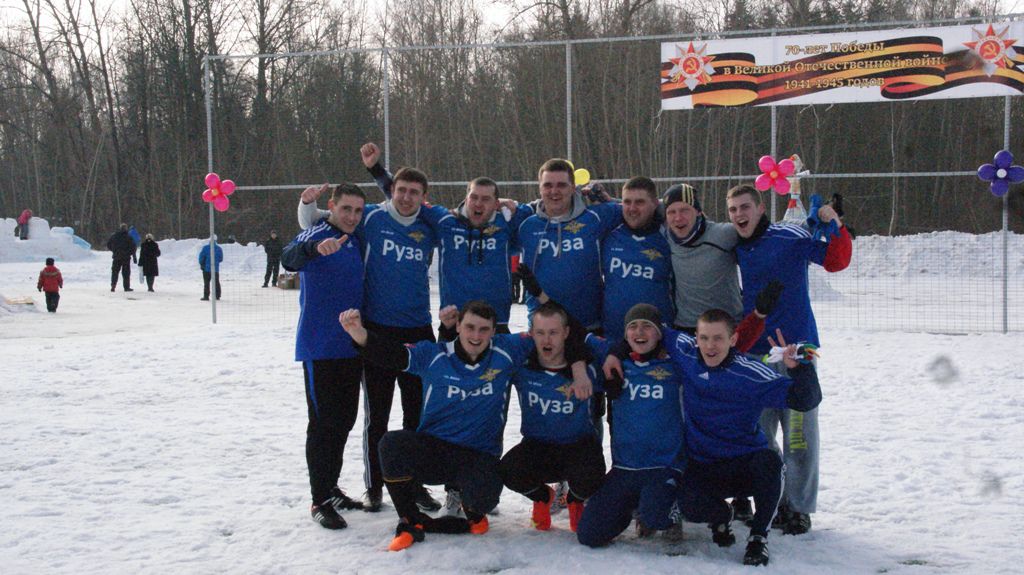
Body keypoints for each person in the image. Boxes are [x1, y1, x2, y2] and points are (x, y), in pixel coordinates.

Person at [339, 301, 590, 551]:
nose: (476, 336)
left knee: (484, 499)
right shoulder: (435, 354)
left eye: (484, 329)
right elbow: (393, 354)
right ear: (458, 326)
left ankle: (473, 513)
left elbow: (566, 333)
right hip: (435, 449)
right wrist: (359, 333)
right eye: (470, 327)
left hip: (479, 454)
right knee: (391, 445)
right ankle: (409, 520)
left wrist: (579, 370)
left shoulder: (507, 350)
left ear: (494, 332)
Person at [297, 165, 442, 513]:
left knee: (417, 415)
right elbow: (320, 221)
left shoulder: (429, 224)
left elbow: (466, 222)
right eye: (400, 190)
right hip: (376, 331)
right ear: (391, 191)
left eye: (414, 192)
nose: (406, 197)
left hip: (419, 330)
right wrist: (306, 204)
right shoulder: (371, 218)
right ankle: (374, 486)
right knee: (376, 416)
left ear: (424, 198)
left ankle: (414, 483)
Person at [727, 183, 852, 535]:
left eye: (745, 207)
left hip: (798, 350)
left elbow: (836, 260)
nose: (739, 215)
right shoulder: (729, 245)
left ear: (760, 208)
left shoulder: (789, 237)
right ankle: (767, 497)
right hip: (753, 354)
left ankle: (797, 507)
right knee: (759, 435)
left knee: (799, 436)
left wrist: (835, 223)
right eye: (733, 209)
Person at [665, 310, 822, 566]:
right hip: (703, 464)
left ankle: (759, 537)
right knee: (687, 505)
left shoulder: (750, 373)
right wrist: (615, 352)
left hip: (744, 464)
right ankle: (721, 516)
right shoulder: (686, 353)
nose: (710, 346)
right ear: (696, 338)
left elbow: (805, 400)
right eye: (704, 338)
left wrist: (799, 369)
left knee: (771, 464)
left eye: (718, 338)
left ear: (733, 339)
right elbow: (653, 329)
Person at [281, 183, 368, 530]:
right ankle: (319, 499)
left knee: (344, 421)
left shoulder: (357, 237)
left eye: (358, 211)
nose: (352, 216)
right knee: (323, 425)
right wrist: (313, 249)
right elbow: (288, 257)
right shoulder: (316, 233)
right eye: (346, 209)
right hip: (320, 347)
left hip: (352, 346)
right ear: (331, 206)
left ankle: (331, 487)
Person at [500, 301, 604, 533]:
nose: (547, 340)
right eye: (540, 333)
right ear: (531, 334)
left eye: (553, 333)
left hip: (578, 445)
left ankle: (575, 500)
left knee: (594, 474)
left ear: (566, 333)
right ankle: (543, 497)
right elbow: (486, 346)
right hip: (538, 446)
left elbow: (616, 352)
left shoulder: (588, 368)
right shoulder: (522, 367)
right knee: (508, 470)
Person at [662, 183, 743, 331]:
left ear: (698, 211)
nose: (678, 217)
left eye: (684, 210)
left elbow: (759, 232)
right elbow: (643, 205)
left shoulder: (723, 234)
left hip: (726, 325)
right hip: (686, 325)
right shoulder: (664, 236)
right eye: (671, 212)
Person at [600, 176, 672, 342]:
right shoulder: (608, 234)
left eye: (640, 202)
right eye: (627, 202)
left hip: (656, 340)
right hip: (614, 336)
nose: (632, 208)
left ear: (655, 204)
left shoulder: (669, 236)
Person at [107, 223, 136, 292]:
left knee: (115, 272)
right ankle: (126, 287)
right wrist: (131, 254)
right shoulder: (128, 237)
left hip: (116, 257)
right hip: (126, 257)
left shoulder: (114, 236)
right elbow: (133, 247)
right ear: (126, 229)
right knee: (126, 273)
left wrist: (114, 250)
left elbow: (108, 244)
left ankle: (113, 285)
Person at [198, 236, 223, 301]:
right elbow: (221, 259)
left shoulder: (205, 248)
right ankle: (217, 295)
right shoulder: (219, 249)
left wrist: (202, 264)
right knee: (216, 282)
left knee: (206, 283)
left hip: (206, 269)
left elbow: (201, 257)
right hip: (215, 269)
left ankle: (206, 296)